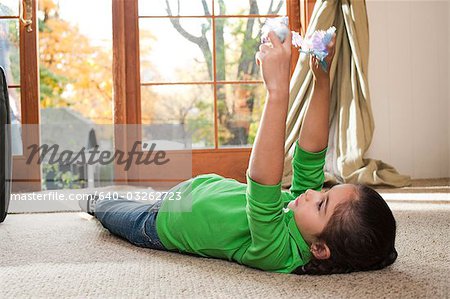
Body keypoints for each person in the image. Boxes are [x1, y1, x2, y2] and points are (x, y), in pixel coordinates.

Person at [79, 29, 398, 275]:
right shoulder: (304, 216)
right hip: (190, 193)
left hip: (160, 225)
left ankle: (93, 200)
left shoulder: (278, 252)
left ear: (319, 250)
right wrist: (321, 79)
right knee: (140, 198)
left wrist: (277, 93)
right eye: (325, 191)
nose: (313, 192)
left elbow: (262, 183)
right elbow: (310, 156)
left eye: (322, 204)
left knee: (111, 209)